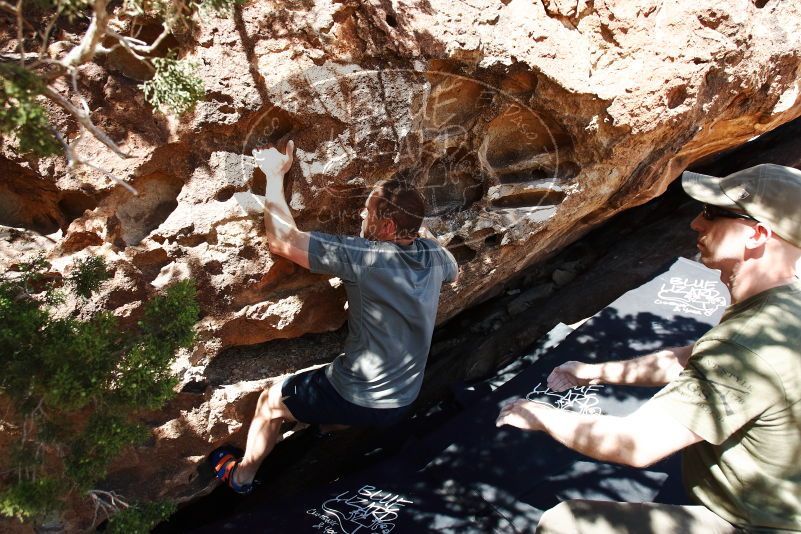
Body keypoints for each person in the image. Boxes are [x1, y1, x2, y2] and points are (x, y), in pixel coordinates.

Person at [496, 163, 801, 533]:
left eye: (711, 212)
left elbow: (637, 444)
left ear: (757, 235)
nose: (695, 224)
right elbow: (688, 359)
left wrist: (538, 414)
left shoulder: (748, 343)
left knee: (566, 523)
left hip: (759, 524)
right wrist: (593, 372)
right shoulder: (780, 308)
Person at [210, 141, 459, 494]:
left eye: (368, 212)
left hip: (360, 396)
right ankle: (327, 430)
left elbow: (283, 241)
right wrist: (419, 234)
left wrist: (273, 175)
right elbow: (455, 274)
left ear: (386, 227)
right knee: (338, 399)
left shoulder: (364, 257)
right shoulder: (434, 254)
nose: (361, 216)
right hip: (405, 396)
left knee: (270, 403)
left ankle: (241, 478)